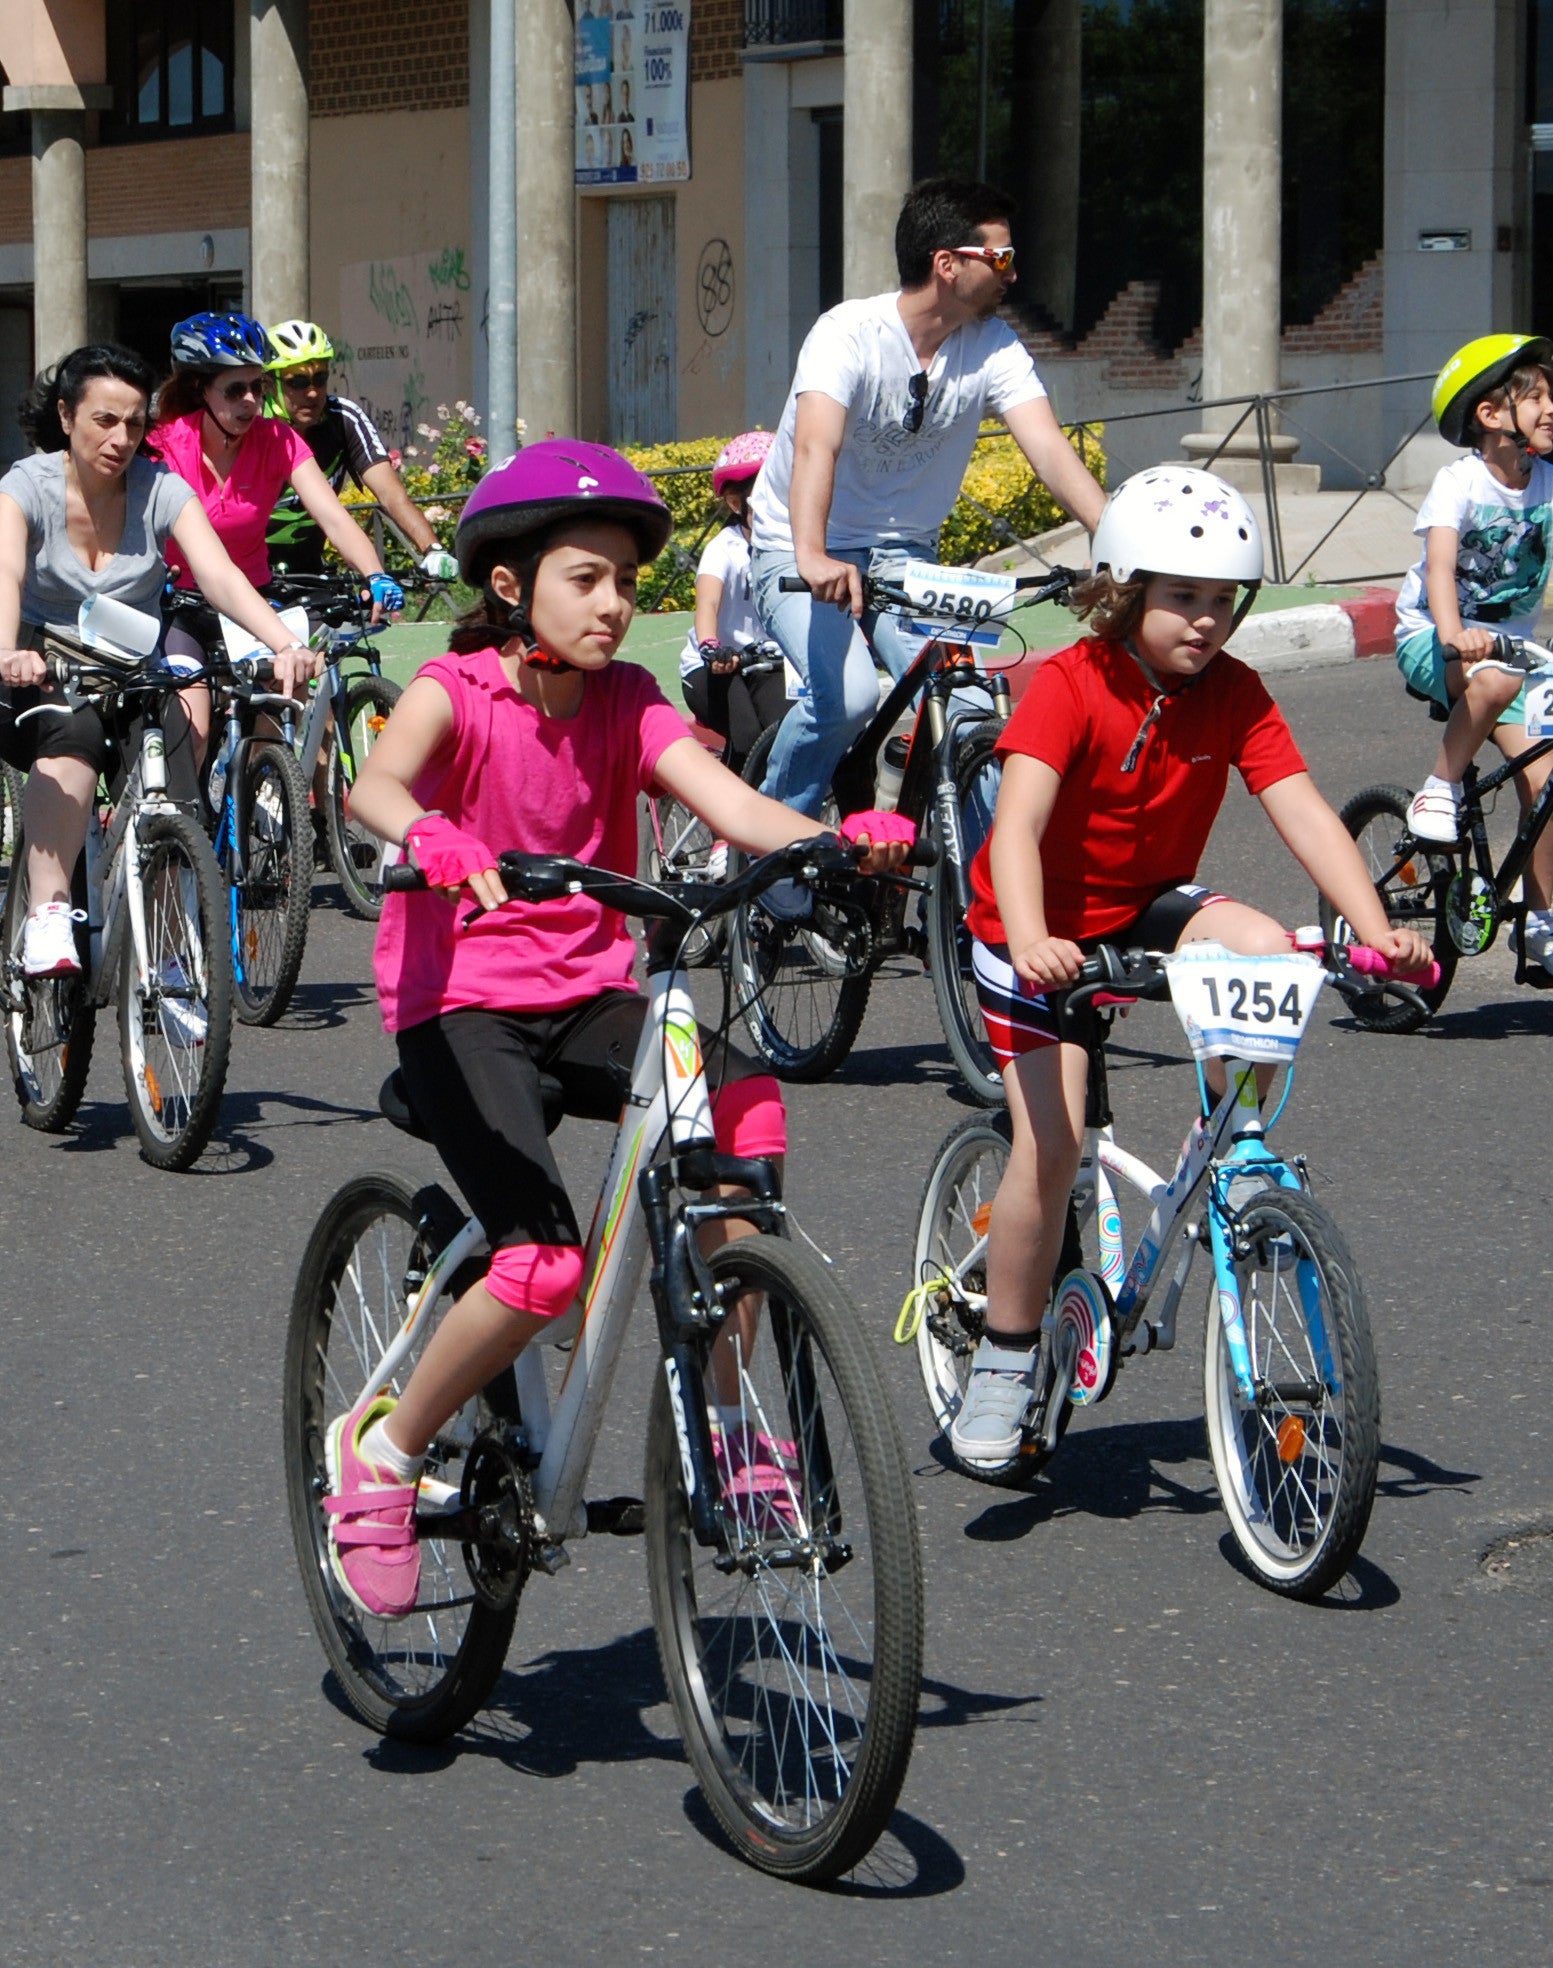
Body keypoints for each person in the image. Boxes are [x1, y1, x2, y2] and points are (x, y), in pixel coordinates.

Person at [322, 440, 913, 1618]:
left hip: (587, 993)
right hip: (462, 1006)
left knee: (738, 1106)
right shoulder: (457, 690)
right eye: (584, 579)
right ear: (512, 587)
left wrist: (832, 838)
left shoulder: (632, 701)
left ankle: (734, 1417)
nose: (613, 603)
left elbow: (728, 799)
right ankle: (382, 1451)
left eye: (626, 585)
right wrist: (428, 836)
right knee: (539, 1265)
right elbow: (374, 785)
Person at [947, 468, 1434, 1468]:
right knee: (1054, 1138)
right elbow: (1016, 828)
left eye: (1222, 602)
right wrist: (1035, 936)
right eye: (1181, 598)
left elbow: (1299, 810)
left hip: (1139, 902)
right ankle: (1001, 1358)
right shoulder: (1068, 685)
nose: (1205, 623)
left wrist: (1375, 928)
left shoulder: (1233, 694)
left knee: (1260, 944)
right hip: (1028, 925)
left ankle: (1232, 1151)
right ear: (1123, 591)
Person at [748, 176, 1107, 822]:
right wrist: (810, 554)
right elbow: (814, 449)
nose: (1013, 274)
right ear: (946, 264)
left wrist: (1116, 542)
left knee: (966, 710)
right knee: (848, 697)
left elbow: (1049, 450)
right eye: (999, 258)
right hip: (796, 546)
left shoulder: (991, 345)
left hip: (903, 556)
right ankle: (765, 847)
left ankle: (977, 911)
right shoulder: (847, 333)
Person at [0, 344, 318, 976]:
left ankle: (169, 948)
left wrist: (283, 644)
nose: (121, 438)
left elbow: (219, 575)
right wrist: (8, 651)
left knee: (178, 756)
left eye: (135, 423)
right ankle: (47, 912)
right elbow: (6, 571)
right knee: (73, 731)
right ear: (66, 417)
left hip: (128, 663)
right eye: (104, 420)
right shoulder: (26, 485)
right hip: (42, 661)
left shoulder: (159, 489)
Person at [149, 312, 399, 760]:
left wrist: (375, 574)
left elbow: (335, 518)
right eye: (235, 390)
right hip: (182, 607)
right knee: (194, 731)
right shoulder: (165, 446)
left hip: (254, 605)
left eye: (258, 387)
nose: (251, 401)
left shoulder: (278, 440)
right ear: (200, 390)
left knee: (282, 711)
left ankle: (269, 804)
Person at [1394, 334, 1553, 966]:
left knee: (1546, 789)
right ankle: (1441, 785)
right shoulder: (1458, 482)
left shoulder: (1547, 481)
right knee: (1491, 682)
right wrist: (1454, 632)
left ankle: (1541, 920)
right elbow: (1438, 570)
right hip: (1432, 637)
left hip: (1515, 652)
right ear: (1491, 417)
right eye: (1535, 398)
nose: (1551, 409)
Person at [262, 319, 459, 583]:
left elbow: (391, 495)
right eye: (297, 382)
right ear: (268, 384)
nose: (312, 392)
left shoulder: (343, 418)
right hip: (246, 573)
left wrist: (432, 549)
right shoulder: (251, 429)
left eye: (320, 379)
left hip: (309, 573)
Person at [680, 430, 786, 772]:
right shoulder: (724, 549)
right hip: (713, 667)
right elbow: (708, 603)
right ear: (736, 503)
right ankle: (728, 819)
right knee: (748, 739)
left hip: (765, 664)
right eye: (762, 497)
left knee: (787, 736)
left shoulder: (795, 546)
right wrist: (711, 646)